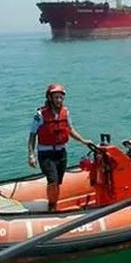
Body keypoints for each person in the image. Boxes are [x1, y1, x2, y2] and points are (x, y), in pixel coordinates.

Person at [27, 83, 93, 211]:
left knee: (58, 182)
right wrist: (31, 154)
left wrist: (84, 141)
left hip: (61, 153)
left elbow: (70, 130)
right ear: (50, 98)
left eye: (60, 98)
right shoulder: (40, 115)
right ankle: (52, 208)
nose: (59, 100)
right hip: (46, 154)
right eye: (56, 97)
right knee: (52, 180)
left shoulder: (65, 112)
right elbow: (32, 135)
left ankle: (54, 203)